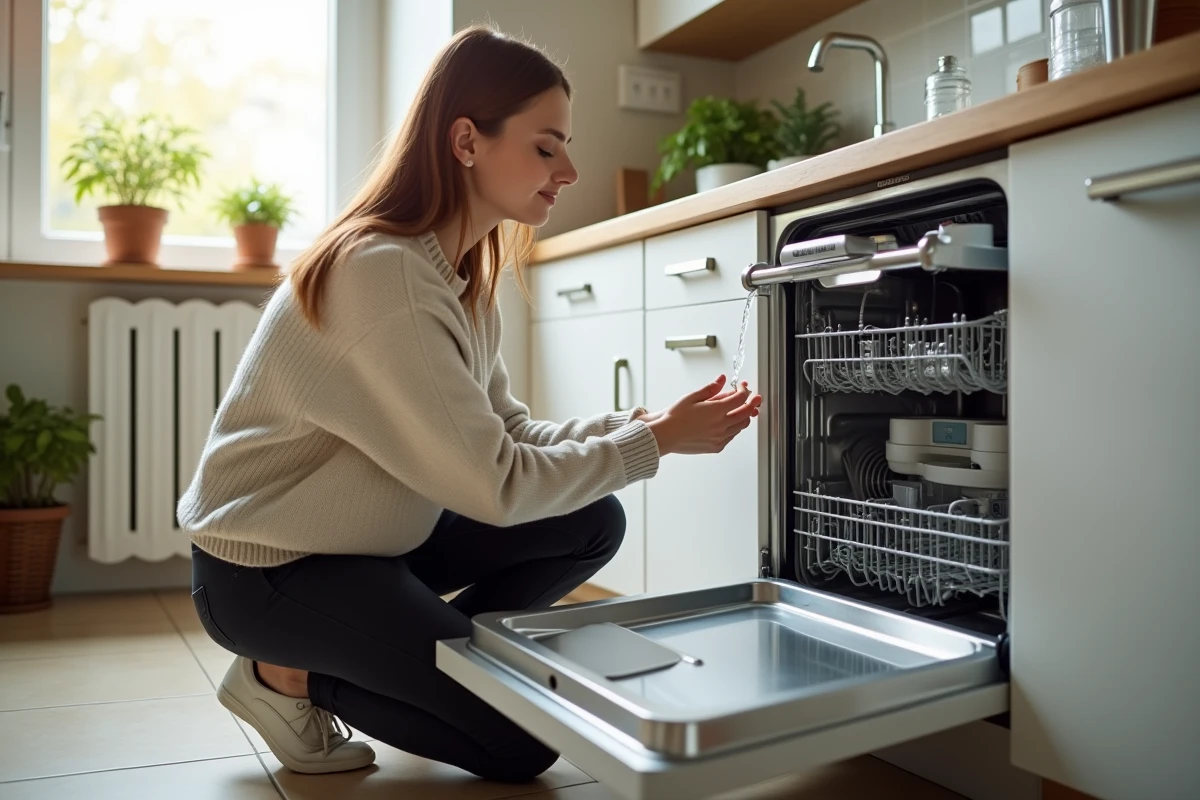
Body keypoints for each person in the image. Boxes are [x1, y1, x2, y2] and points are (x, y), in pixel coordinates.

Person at [178, 24, 761, 782]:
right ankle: (284, 676)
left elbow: (510, 432)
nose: (570, 169)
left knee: (590, 520)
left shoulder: (456, 276)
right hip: (269, 574)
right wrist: (653, 446)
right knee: (520, 745)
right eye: (547, 146)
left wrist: (641, 426)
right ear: (466, 142)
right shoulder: (382, 276)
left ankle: (444, 657)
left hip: (372, 545)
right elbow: (496, 484)